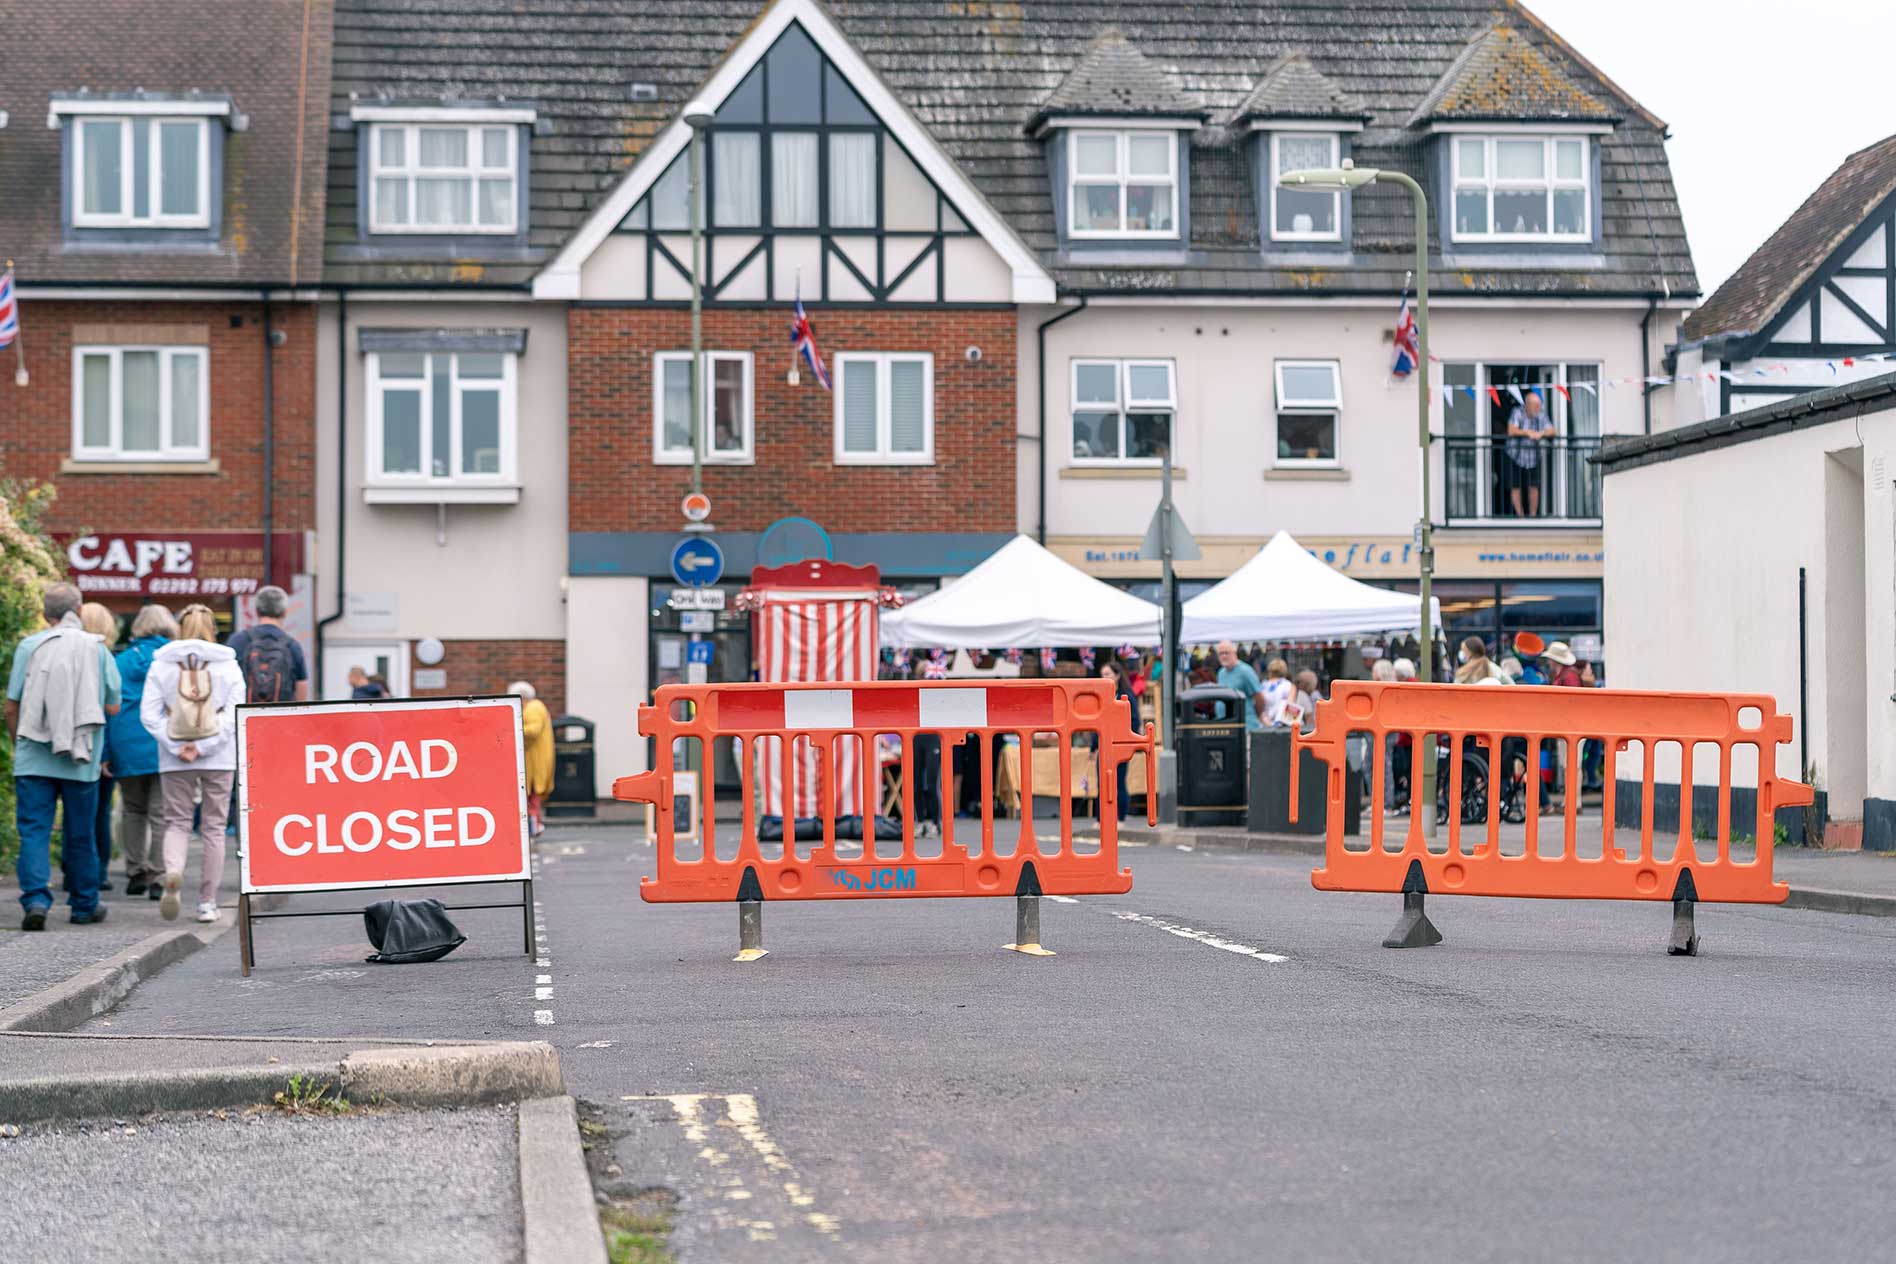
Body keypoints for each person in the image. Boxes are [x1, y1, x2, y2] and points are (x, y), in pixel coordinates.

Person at [7, 584, 122, 929]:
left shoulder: (30, 646)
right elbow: (113, 706)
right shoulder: (97, 649)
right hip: (81, 756)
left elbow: (12, 706)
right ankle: (84, 904)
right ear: (79, 610)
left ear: (46, 614)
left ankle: (36, 902)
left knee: (34, 831)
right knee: (81, 832)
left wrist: (21, 744)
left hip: (33, 756)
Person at [141, 604, 245, 923]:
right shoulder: (228, 665)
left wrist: (178, 745)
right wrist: (204, 747)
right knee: (213, 827)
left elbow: (149, 714)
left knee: (177, 822)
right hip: (219, 757)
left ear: (180, 628)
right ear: (212, 628)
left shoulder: (163, 665)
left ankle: (173, 872)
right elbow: (234, 714)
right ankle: (207, 902)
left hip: (175, 759)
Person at [107, 605, 176, 898]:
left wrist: (106, 751)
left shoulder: (121, 661)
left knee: (133, 809)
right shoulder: (174, 659)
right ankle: (160, 877)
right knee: (161, 813)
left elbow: (109, 706)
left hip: (126, 742)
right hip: (163, 741)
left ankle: (136, 871)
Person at [77, 602, 121, 894]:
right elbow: (113, 709)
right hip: (101, 743)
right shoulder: (106, 657)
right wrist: (108, 754)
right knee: (100, 812)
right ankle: (99, 872)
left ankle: (76, 872)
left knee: (77, 813)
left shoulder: (72, 655)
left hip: (73, 743)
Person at [226, 585, 308, 704]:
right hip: (279, 717)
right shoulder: (292, 646)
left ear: (257, 611)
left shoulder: (238, 640)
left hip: (244, 717)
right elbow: (301, 688)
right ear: (285, 612)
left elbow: (225, 679)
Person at [510, 681, 555, 838]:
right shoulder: (535, 707)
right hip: (535, 759)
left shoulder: (533, 708)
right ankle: (535, 825)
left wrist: (512, 727)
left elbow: (533, 731)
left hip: (534, 761)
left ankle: (534, 826)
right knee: (531, 798)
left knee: (531, 798)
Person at [1099, 660, 1141, 820]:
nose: (1104, 677)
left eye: (1107, 674)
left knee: (1119, 783)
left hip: (1120, 744)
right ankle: (1101, 819)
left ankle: (1121, 817)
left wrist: (1128, 741)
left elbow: (1135, 721)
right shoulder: (1101, 696)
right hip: (1104, 745)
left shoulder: (1127, 696)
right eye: (1102, 675)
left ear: (1117, 676)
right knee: (1102, 783)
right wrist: (1093, 746)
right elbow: (1097, 722)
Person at [1505, 388, 1555, 517]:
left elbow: (1552, 431)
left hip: (1533, 457)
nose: (1538, 408)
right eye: (1536, 406)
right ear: (1527, 405)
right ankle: (1520, 516)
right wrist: (1528, 433)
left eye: (1539, 406)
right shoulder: (1517, 412)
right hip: (1515, 454)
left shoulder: (1541, 414)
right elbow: (1511, 430)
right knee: (1515, 486)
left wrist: (1541, 434)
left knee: (1533, 487)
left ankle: (1532, 517)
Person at [1213, 641, 1264, 732]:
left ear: (1234, 653)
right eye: (1221, 653)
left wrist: (1257, 714)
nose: (1224, 656)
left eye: (1227, 653)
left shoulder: (1245, 671)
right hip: (1225, 725)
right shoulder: (1221, 673)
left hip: (1245, 725)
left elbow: (1259, 696)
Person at [1261, 657, 1296, 727]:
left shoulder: (1263, 686)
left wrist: (1268, 724)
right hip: (1281, 726)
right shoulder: (1290, 686)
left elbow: (1260, 708)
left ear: (1270, 671)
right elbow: (1290, 705)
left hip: (1264, 725)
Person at [1288, 668, 1322, 733]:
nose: (1297, 683)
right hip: (1302, 732)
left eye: (1298, 682)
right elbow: (1309, 719)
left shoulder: (1294, 693)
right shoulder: (1304, 695)